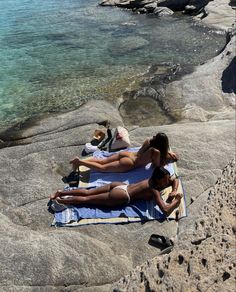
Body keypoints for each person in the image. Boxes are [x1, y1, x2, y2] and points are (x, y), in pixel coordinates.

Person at [50, 167, 183, 216]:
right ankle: (62, 200)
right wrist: (176, 201)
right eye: (165, 180)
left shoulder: (153, 180)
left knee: (87, 192)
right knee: (87, 200)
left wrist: (174, 190)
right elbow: (165, 210)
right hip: (122, 195)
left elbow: (174, 180)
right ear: (160, 180)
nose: (168, 182)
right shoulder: (154, 190)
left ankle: (60, 192)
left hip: (120, 186)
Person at [70, 132, 178, 173]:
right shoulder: (156, 152)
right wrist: (166, 158)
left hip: (127, 154)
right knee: (103, 169)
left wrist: (168, 153)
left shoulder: (148, 140)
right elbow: (156, 165)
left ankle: (82, 161)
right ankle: (79, 162)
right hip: (131, 163)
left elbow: (156, 145)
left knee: (103, 161)